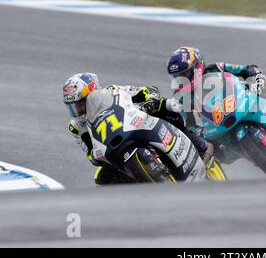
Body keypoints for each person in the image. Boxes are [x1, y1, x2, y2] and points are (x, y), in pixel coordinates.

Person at [63, 72, 218, 185]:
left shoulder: (113, 91)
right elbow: (88, 151)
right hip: (113, 150)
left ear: (93, 92)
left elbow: (145, 91)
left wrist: (150, 100)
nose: (78, 109)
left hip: (135, 122)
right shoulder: (76, 126)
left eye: (81, 103)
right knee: (101, 179)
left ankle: (199, 145)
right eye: (74, 106)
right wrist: (94, 156)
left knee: (167, 109)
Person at [166, 46, 266, 133]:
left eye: (184, 74)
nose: (180, 79)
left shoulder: (215, 68)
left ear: (197, 66)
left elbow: (248, 69)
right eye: (176, 76)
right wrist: (199, 132)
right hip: (216, 127)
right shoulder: (181, 97)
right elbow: (188, 125)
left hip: (242, 100)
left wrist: (256, 81)